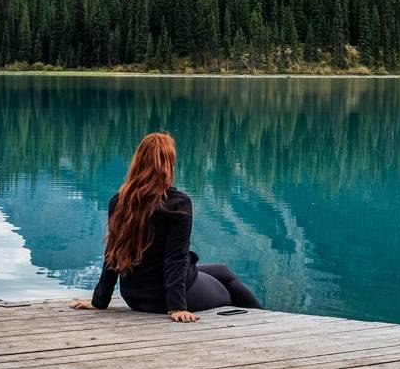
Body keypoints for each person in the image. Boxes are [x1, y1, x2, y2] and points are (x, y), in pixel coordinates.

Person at [71, 132, 259, 321]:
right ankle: (261, 319)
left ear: (139, 162)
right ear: (168, 165)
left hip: (134, 295)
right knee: (228, 291)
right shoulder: (177, 204)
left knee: (223, 271)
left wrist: (99, 301)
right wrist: (177, 307)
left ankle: (261, 316)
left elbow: (113, 254)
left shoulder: (119, 201)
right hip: (164, 298)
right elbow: (175, 258)